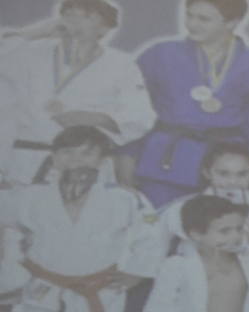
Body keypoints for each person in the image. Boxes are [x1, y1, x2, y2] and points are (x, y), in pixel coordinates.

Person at [3, 125, 154, 312]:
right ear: (53, 158)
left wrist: (137, 272)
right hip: (44, 289)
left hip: (99, 289)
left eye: (86, 153)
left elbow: (152, 237)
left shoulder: (124, 198)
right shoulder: (30, 195)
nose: (75, 160)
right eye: (67, 152)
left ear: (103, 161)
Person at [130, 0, 249, 207]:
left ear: (232, 22)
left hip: (226, 165)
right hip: (167, 159)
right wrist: (126, 158)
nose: (192, 24)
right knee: (159, 219)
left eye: (204, 19)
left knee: (221, 221)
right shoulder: (160, 54)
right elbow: (132, 109)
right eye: (189, 15)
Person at [0, 0, 155, 185]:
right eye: (69, 14)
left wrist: (95, 118)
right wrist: (33, 33)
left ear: (104, 29)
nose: (75, 21)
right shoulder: (28, 54)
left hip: (83, 163)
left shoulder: (121, 64)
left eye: (88, 17)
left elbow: (140, 117)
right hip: (24, 161)